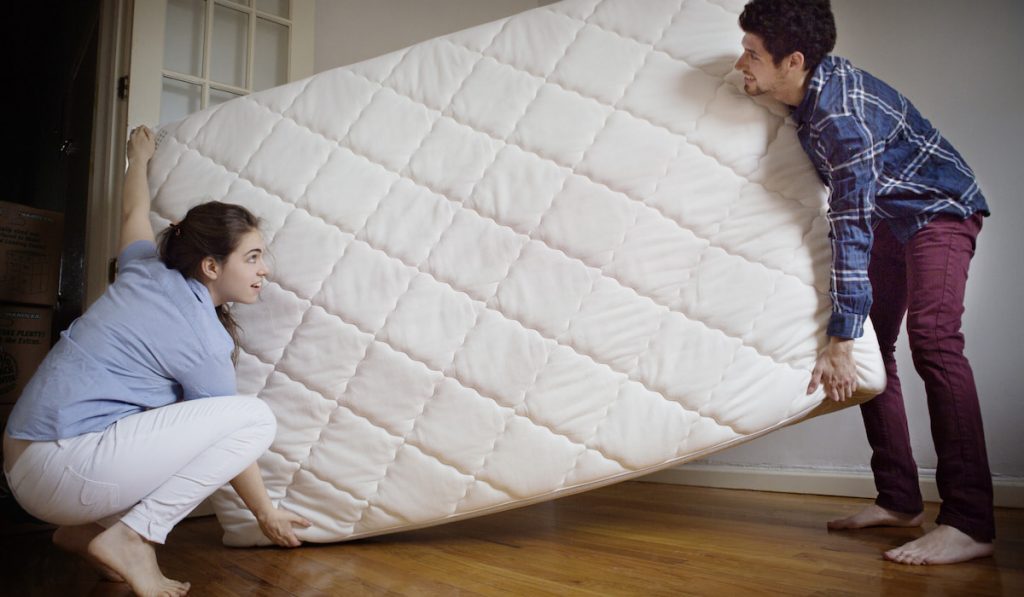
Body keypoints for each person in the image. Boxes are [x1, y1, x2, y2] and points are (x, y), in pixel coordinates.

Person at [733, 0, 993, 565]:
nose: (740, 64)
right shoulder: (808, 90)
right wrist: (851, 336)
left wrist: (838, 337)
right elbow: (857, 215)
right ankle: (900, 499)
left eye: (752, 55)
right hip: (891, 218)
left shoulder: (841, 118)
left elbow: (849, 223)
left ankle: (970, 522)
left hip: (938, 211)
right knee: (877, 345)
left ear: (793, 60)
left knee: (934, 340)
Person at [2, 125, 310, 596]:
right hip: (59, 468)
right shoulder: (200, 337)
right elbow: (233, 440)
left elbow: (133, 210)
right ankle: (134, 536)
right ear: (211, 267)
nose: (264, 269)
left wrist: (138, 157)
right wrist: (266, 513)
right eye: (252, 258)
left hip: (21, 461)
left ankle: (83, 530)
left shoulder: (143, 269)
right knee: (254, 419)